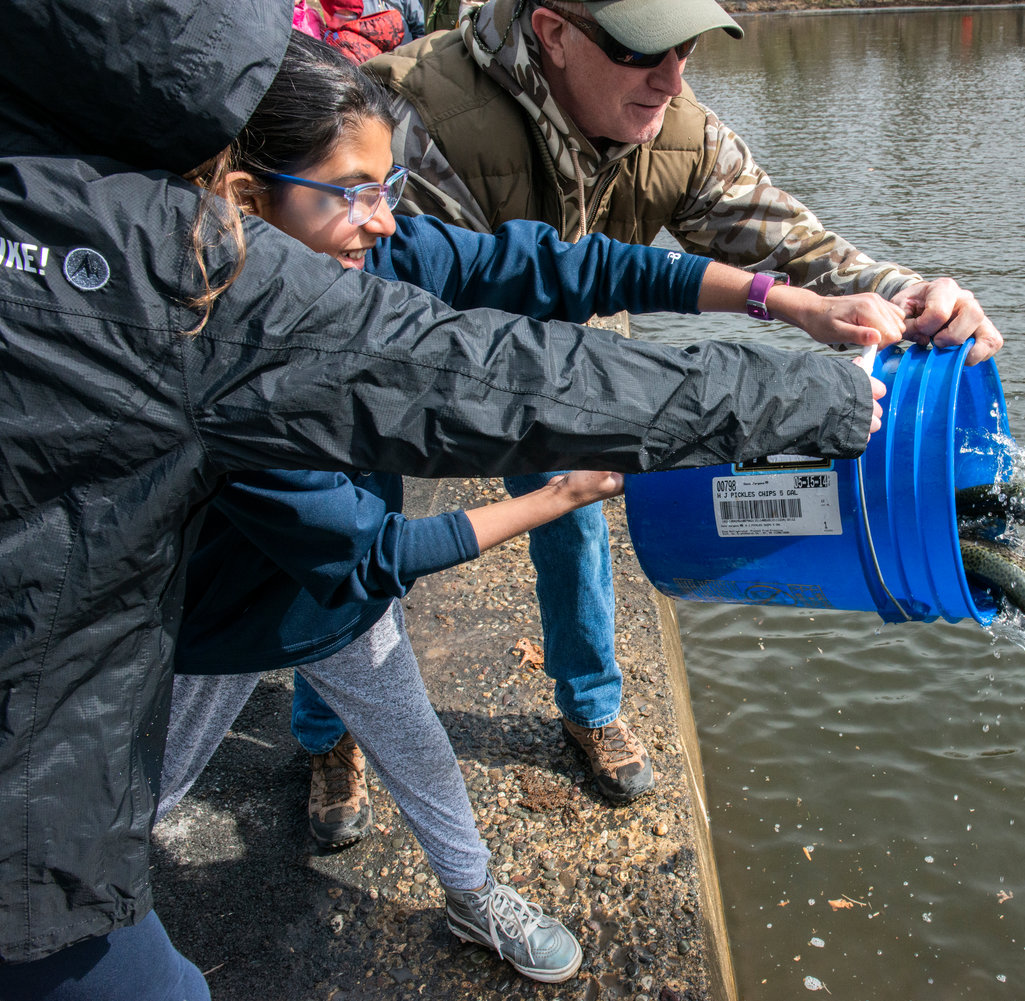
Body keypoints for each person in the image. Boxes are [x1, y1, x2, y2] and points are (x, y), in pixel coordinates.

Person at [0, 1, 881, 997]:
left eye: (389, 186)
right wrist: (555, 498)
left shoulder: (353, 247)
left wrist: (786, 299)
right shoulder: (222, 314)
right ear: (245, 201)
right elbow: (382, 534)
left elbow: (555, 266)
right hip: (223, 622)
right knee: (136, 795)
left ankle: (470, 888)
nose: (385, 217)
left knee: (421, 753)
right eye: (353, 192)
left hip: (333, 606)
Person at [358, 0, 1008, 808]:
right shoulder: (417, 117)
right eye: (645, 52)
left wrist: (904, 294)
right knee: (355, 530)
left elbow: (787, 245)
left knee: (577, 515)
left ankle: (590, 706)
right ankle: (330, 735)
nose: (671, 80)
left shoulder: (674, 128)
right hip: (393, 352)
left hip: (555, 326)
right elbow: (416, 353)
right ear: (554, 31)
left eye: (688, 50)